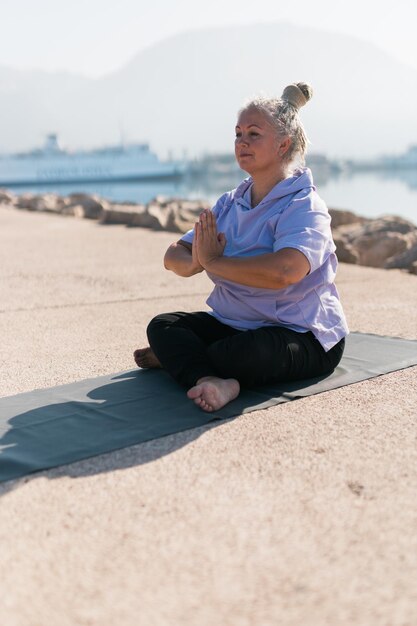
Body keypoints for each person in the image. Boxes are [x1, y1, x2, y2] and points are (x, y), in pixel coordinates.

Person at [134, 82, 349, 413]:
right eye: (238, 134)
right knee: (163, 326)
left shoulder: (304, 204)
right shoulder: (231, 202)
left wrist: (212, 262)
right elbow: (173, 256)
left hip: (302, 336)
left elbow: (285, 271)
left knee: (239, 352)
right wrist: (197, 261)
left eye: (253, 134)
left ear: (283, 145)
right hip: (235, 325)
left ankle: (188, 364)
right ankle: (211, 379)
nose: (242, 142)